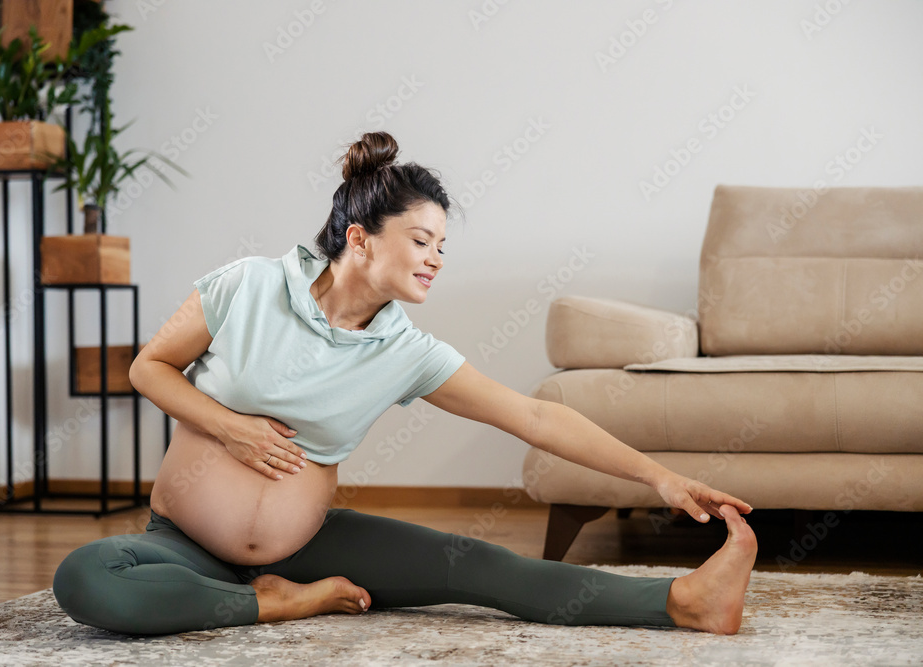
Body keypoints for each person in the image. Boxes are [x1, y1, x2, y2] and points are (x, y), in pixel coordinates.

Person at [52, 131, 758, 636]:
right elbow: (149, 365)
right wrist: (229, 425)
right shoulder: (248, 285)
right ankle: (278, 603)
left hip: (310, 546)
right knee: (85, 578)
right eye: (421, 241)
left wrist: (659, 478)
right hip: (182, 541)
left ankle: (684, 601)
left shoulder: (406, 351)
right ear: (359, 239)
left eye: (442, 246)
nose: (436, 259)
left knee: (480, 566)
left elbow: (535, 418)